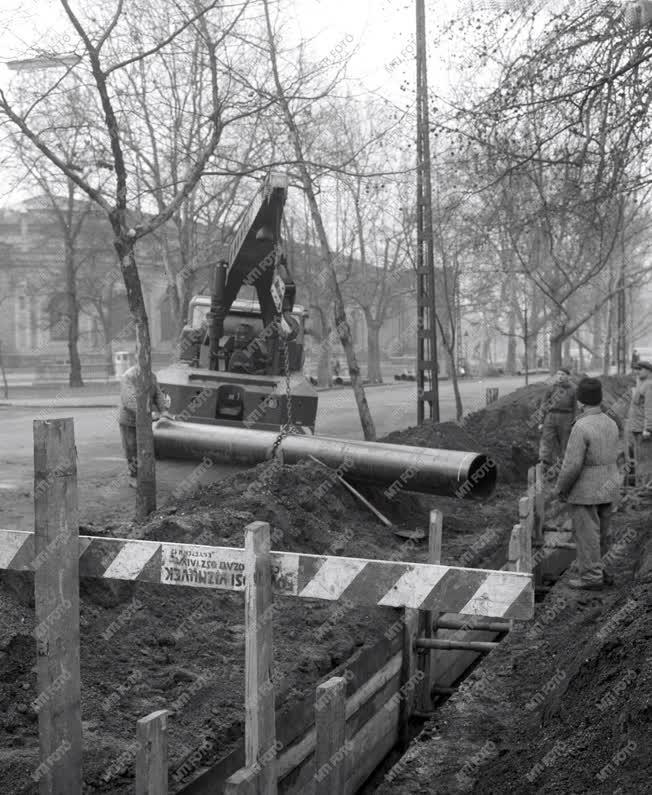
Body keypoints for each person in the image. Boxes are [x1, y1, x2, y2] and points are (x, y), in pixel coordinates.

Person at [554, 377, 620, 590]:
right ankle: (603, 570)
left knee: (587, 534)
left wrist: (561, 489)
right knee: (604, 532)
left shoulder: (581, 427)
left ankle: (591, 577)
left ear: (581, 402)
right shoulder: (611, 422)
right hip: (609, 485)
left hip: (586, 490)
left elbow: (572, 466)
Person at [118, 364, 168, 487]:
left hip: (146, 419)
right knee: (132, 448)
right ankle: (133, 476)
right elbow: (129, 399)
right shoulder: (129, 376)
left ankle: (145, 474)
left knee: (146, 447)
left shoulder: (152, 376)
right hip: (129, 420)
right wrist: (146, 414)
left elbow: (158, 394)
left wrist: (164, 410)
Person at [538, 368, 576, 473]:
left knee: (565, 442)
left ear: (568, 376)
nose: (560, 376)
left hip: (566, 417)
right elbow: (543, 405)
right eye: (558, 374)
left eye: (563, 374)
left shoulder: (573, 390)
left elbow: (576, 408)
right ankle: (544, 463)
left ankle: (564, 466)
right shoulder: (551, 388)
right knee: (547, 439)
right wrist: (541, 421)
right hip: (550, 416)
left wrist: (574, 423)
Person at [628, 360, 652, 486]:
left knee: (645, 460)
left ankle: (645, 486)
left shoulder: (649, 385)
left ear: (648, 371)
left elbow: (650, 408)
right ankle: (640, 484)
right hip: (636, 427)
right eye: (636, 369)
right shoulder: (640, 383)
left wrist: (648, 428)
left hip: (643, 429)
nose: (637, 372)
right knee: (638, 458)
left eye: (640, 369)